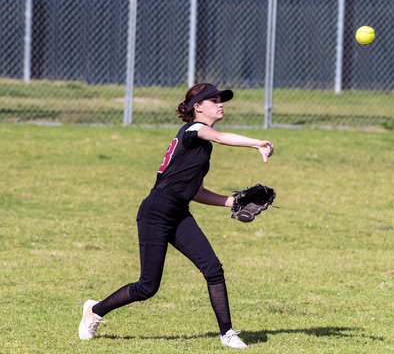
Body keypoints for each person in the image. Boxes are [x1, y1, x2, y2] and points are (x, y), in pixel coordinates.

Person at [78, 83, 274, 349]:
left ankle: (227, 333)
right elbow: (219, 136)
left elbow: (197, 192)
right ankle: (95, 311)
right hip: (155, 213)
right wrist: (257, 143)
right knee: (147, 287)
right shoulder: (193, 131)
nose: (220, 104)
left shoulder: (202, 148)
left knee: (213, 269)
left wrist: (234, 202)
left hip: (179, 214)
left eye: (221, 100)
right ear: (198, 107)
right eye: (214, 100)